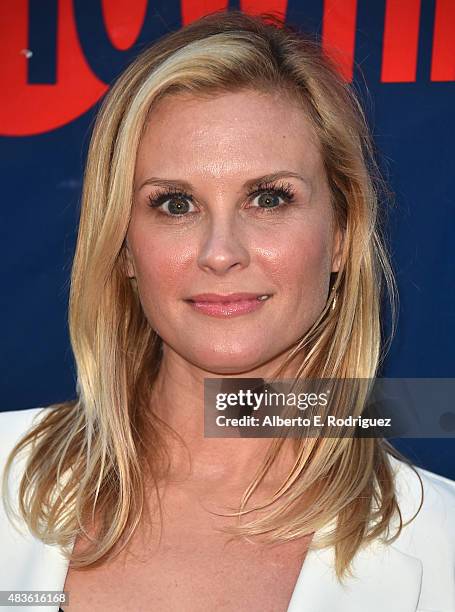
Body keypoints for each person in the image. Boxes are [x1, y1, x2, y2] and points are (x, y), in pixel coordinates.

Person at [1, 10, 454, 612]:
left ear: (341, 235)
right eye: (174, 203)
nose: (220, 253)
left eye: (269, 198)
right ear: (124, 244)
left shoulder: (442, 545)